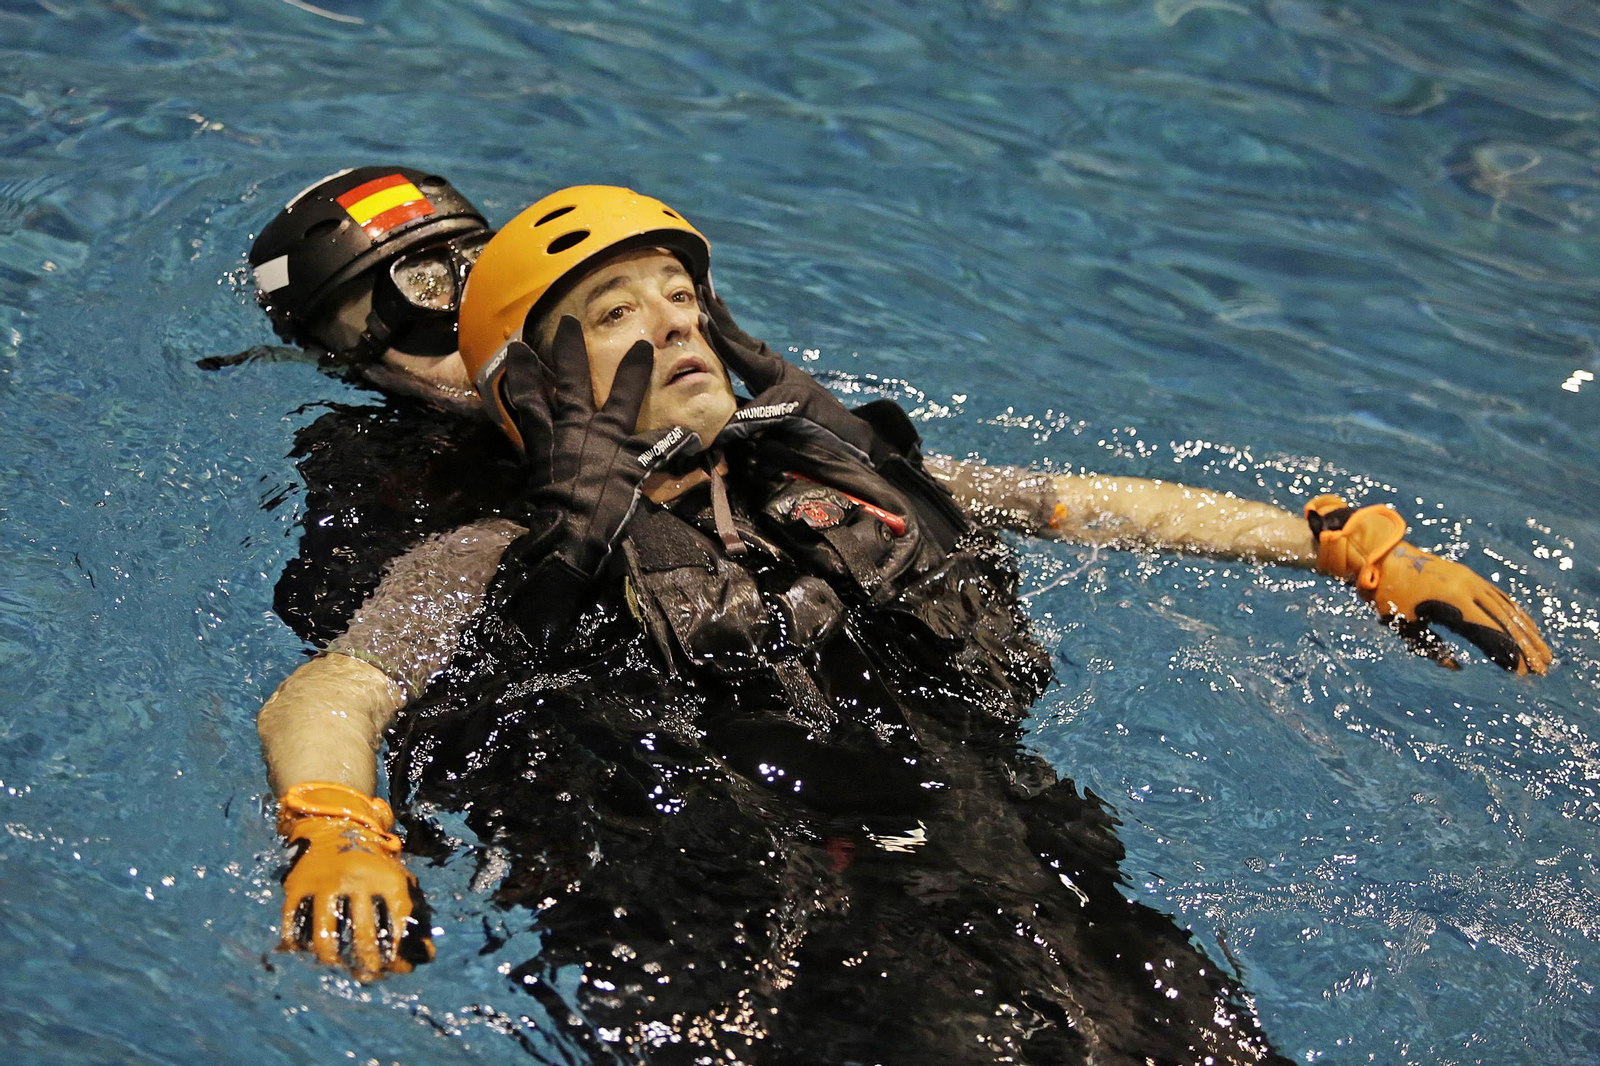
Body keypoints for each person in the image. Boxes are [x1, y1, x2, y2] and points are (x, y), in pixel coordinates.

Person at [253, 185, 1550, 1064]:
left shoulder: (834, 479)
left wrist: (1341, 547)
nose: (670, 331)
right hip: (779, 924)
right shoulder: (501, 553)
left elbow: (1066, 500)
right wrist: (334, 826)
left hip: (1010, 853)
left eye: (679, 303)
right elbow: (341, 685)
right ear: (538, 387)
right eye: (614, 319)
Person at [244, 167, 526, 643]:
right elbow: (340, 633)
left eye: (479, 269)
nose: (468, 315)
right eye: (426, 289)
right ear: (339, 352)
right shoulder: (368, 466)